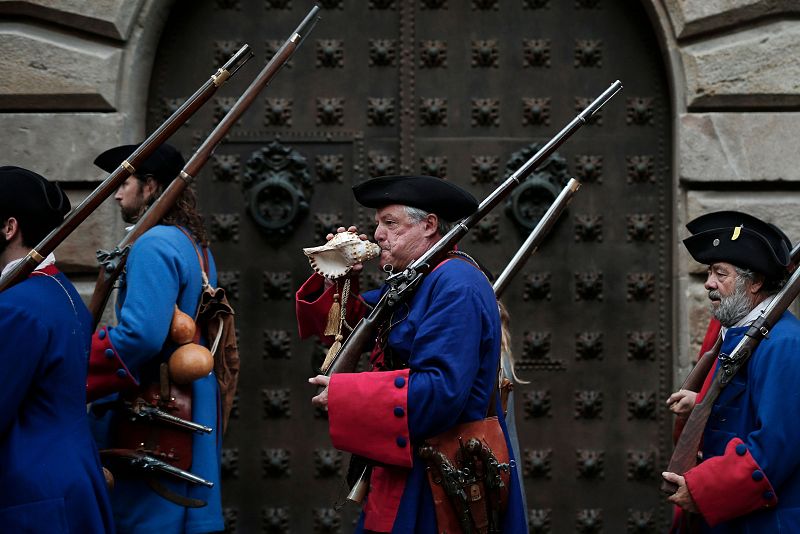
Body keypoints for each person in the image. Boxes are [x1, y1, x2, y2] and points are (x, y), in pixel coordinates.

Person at [298, 175, 527, 533]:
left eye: (390, 223)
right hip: (410, 470)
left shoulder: (455, 284)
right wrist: (337, 279)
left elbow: (441, 392)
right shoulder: (418, 279)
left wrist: (346, 396)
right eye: (378, 224)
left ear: (429, 225)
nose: (378, 235)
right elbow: (347, 326)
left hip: (440, 479)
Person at [86, 144, 224, 533]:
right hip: (185, 397)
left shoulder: (153, 243)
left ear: (150, 186)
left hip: (156, 404)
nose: (116, 194)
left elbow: (141, 336)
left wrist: (79, 362)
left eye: (124, 183)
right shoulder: (191, 243)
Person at [662, 210, 800, 531]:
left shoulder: (784, 344)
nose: (708, 283)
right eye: (710, 271)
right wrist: (699, 402)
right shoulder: (741, 332)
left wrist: (704, 490)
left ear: (756, 283)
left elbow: (774, 446)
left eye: (720, 273)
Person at [0, 166, 114, 533]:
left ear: (9, 228)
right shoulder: (57, 287)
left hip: (35, 490)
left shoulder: (16, 307)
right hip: (67, 476)